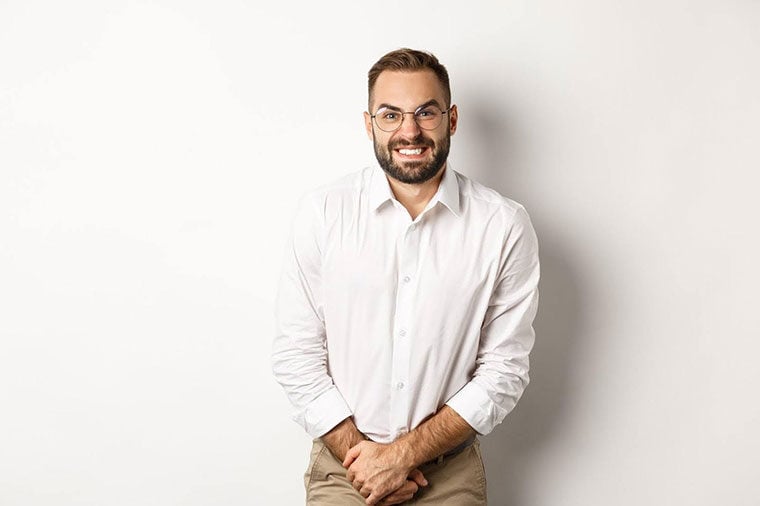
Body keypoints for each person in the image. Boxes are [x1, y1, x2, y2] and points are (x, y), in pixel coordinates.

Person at [272, 48, 540, 505]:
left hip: (448, 474)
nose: (409, 131)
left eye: (426, 112)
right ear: (369, 123)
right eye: (391, 114)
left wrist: (402, 457)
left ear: (451, 119)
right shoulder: (323, 213)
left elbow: (504, 370)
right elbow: (296, 351)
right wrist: (369, 461)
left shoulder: (503, 226)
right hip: (345, 468)